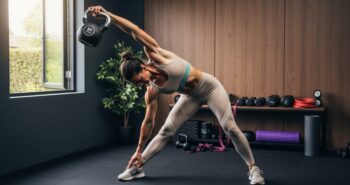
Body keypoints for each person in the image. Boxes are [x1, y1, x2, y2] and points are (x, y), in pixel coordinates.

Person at [88, 5, 265, 185]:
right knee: (165, 130)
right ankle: (138, 166)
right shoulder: (151, 90)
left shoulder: (157, 56)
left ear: (143, 67)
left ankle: (254, 169)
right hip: (190, 97)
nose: (140, 84)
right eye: (136, 84)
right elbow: (148, 121)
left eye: (138, 79)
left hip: (210, 88)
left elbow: (134, 30)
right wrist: (139, 149)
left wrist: (106, 14)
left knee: (230, 127)